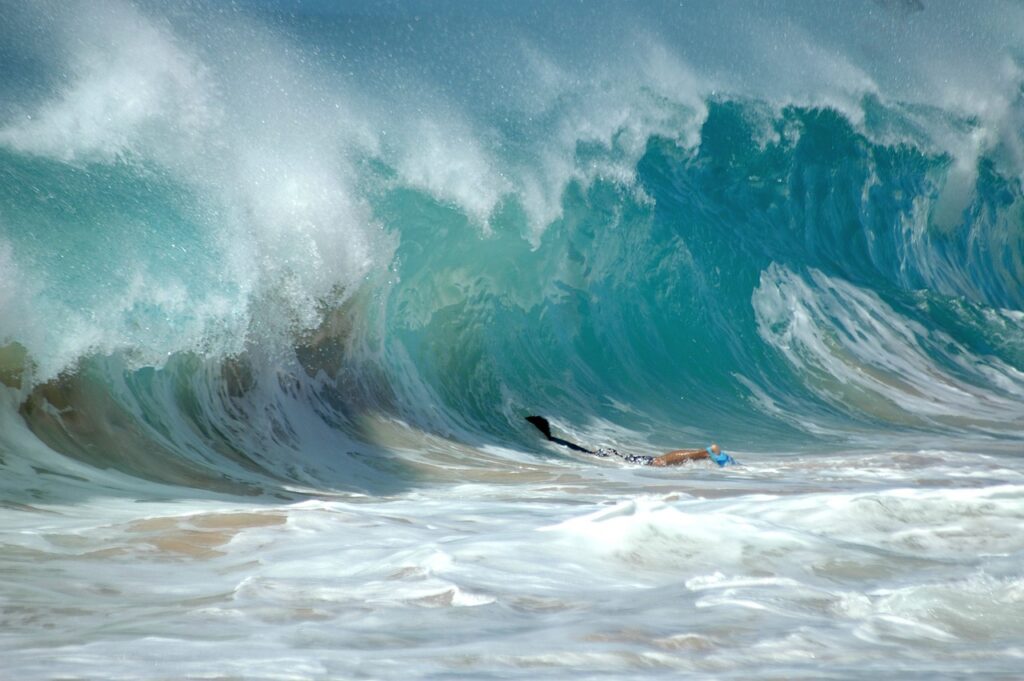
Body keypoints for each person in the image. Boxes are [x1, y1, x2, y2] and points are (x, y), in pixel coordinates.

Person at [525, 415, 736, 467]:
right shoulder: (555, 441)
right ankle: (705, 453)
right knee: (655, 462)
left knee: (656, 463)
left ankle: (706, 452)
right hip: (608, 455)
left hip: (608, 457)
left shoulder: (555, 443)